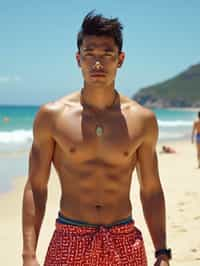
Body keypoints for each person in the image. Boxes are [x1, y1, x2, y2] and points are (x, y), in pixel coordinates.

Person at [22, 11, 171, 266]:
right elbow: (36, 186)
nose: (97, 64)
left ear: (120, 59)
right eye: (89, 54)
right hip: (70, 236)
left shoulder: (142, 120)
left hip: (124, 239)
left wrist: (162, 252)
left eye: (106, 55)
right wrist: (28, 254)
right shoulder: (52, 117)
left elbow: (151, 189)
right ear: (78, 59)